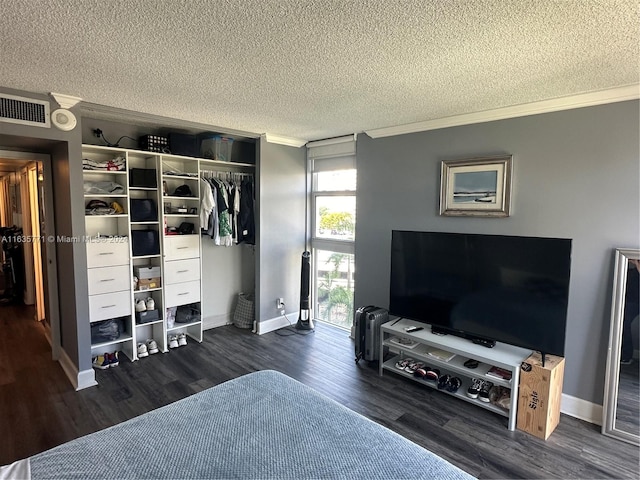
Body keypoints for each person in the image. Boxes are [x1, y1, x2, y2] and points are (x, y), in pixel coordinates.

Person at [621, 259, 640, 365]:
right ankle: (625, 355)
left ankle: (626, 355)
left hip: (635, 301)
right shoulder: (631, 272)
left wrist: (637, 263)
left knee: (624, 323)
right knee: (623, 324)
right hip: (629, 299)